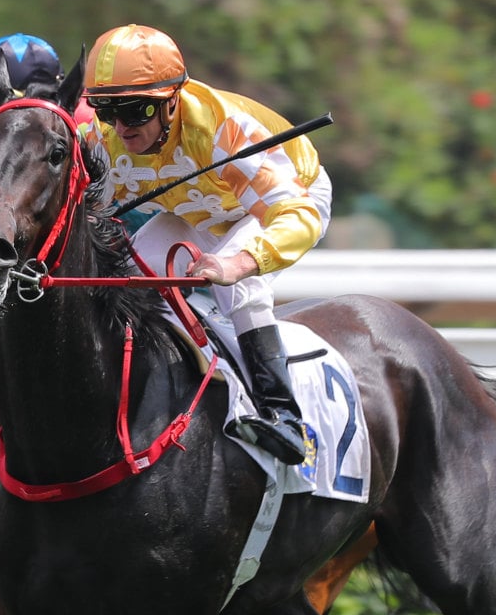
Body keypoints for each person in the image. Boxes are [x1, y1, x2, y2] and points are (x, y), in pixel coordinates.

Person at [83, 24, 331, 465]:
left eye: (136, 111)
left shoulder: (224, 131)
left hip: (283, 204)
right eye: (106, 111)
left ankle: (285, 417)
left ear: (172, 100)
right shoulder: (105, 142)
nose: (120, 128)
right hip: (200, 213)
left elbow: (296, 213)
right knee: (131, 276)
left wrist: (241, 261)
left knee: (238, 286)